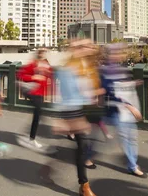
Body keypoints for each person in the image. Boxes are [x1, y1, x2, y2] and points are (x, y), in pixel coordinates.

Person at [51, 39, 100, 196]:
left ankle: (52, 167)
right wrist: (62, 119)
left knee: (83, 148)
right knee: (82, 147)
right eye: (81, 47)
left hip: (87, 110)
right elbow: (62, 95)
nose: (86, 49)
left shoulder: (89, 66)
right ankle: (84, 185)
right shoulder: (67, 69)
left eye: (88, 46)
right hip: (74, 111)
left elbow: (90, 89)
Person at [100, 43, 147, 178]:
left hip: (125, 110)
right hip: (116, 110)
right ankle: (132, 166)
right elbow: (110, 91)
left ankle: (132, 164)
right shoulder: (107, 71)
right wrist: (129, 106)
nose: (120, 55)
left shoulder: (120, 69)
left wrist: (133, 83)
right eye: (117, 53)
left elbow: (122, 87)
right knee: (126, 138)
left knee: (131, 137)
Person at [17, 49, 52, 150]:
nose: (43, 55)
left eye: (45, 53)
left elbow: (50, 76)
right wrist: (34, 77)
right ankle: (31, 139)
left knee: (38, 115)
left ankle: (29, 135)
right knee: (38, 113)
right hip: (33, 92)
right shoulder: (32, 64)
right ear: (38, 54)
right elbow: (21, 75)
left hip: (41, 93)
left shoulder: (46, 64)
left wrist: (50, 91)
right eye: (41, 53)